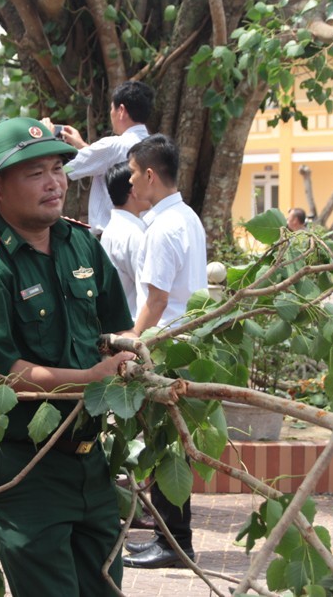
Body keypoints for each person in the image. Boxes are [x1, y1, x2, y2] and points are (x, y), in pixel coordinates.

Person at [0, 117, 136, 596]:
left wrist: (132, 354)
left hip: (90, 464)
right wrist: (92, 380)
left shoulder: (82, 244)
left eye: (57, 169)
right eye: (35, 173)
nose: (54, 183)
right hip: (23, 470)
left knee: (106, 588)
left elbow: (117, 328)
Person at [123, 133, 207, 570]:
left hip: (165, 348)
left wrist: (131, 340)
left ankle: (175, 542)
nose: (130, 181)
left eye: (134, 173)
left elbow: (156, 301)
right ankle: (168, 537)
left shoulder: (161, 228)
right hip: (184, 344)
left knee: (165, 446)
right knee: (169, 444)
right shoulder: (186, 217)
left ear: (151, 175)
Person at [58, 81, 154, 232]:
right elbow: (104, 159)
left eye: (111, 108)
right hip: (144, 231)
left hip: (112, 234)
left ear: (121, 110)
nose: (111, 114)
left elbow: (67, 168)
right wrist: (81, 145)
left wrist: (46, 140)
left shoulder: (113, 146)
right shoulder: (155, 147)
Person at [100, 161, 149, 318]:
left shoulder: (112, 229)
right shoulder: (133, 235)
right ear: (134, 190)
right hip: (135, 323)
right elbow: (149, 292)